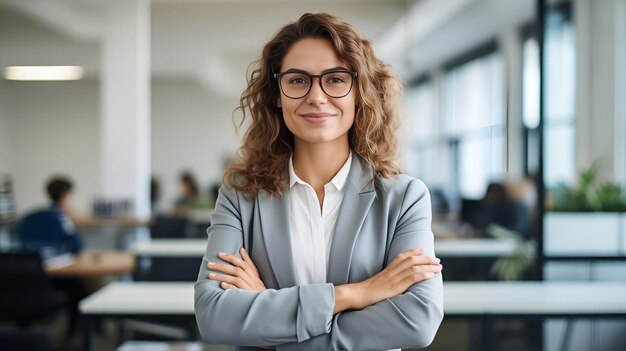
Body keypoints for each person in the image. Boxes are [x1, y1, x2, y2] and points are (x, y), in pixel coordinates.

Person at [194, 13, 443, 350]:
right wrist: (358, 294)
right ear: (277, 96)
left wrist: (268, 309)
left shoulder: (404, 198)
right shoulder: (241, 194)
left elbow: (417, 322)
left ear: (359, 92)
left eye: (336, 79)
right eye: (297, 80)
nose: (316, 96)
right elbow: (214, 317)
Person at [19, 176, 83, 255]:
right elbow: (77, 247)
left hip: (30, 264)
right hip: (55, 264)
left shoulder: (29, 217)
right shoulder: (62, 218)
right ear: (65, 195)